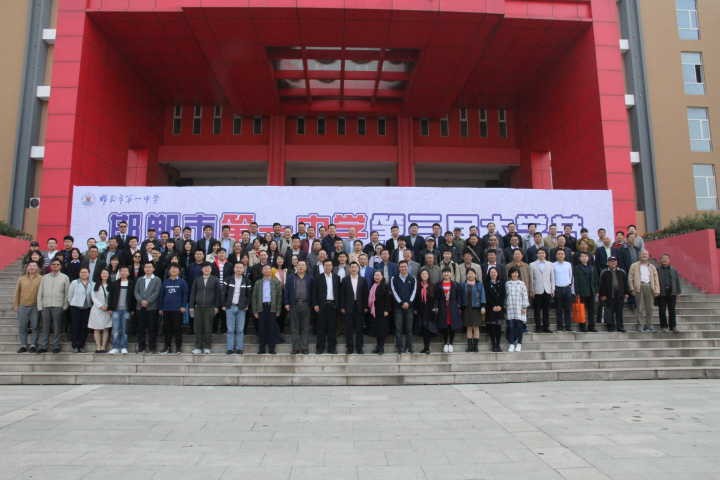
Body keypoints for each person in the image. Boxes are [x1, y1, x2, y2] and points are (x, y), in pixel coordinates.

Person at [37, 258, 70, 354]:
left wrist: (65, 305)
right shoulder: (44, 277)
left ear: (60, 266)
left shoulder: (65, 277)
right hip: (45, 305)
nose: (55, 266)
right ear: (50, 266)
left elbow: (67, 293)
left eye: (57, 264)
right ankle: (43, 346)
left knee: (57, 327)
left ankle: (56, 346)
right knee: (45, 327)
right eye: (53, 264)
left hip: (58, 305)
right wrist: (40, 305)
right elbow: (40, 292)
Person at [189, 262, 220, 354]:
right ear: (201, 269)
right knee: (198, 328)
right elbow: (193, 293)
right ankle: (198, 347)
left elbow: (218, 294)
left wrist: (216, 306)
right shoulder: (197, 280)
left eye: (208, 268)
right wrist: (191, 306)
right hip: (198, 307)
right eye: (205, 268)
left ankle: (207, 346)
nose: (206, 269)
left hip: (210, 307)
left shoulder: (215, 280)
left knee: (208, 328)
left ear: (211, 269)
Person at [252, 264, 283, 354]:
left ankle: (272, 349)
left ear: (271, 271)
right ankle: (261, 348)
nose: (266, 270)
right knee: (261, 329)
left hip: (272, 307)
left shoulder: (276, 282)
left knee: (271, 329)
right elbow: (254, 297)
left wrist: (278, 310)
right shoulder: (258, 283)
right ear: (262, 271)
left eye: (268, 269)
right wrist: (255, 311)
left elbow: (279, 297)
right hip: (261, 307)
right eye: (265, 269)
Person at [284, 260, 313, 355]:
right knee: (294, 328)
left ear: (306, 267)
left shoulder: (310, 278)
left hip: (306, 305)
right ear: (296, 267)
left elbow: (313, 292)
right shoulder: (290, 277)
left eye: (303, 265)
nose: (301, 267)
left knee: (305, 327)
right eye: (299, 265)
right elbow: (286, 291)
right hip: (294, 305)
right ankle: (295, 348)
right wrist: (286, 303)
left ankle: (304, 348)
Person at [340, 262, 369, 354]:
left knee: (359, 328)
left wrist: (365, 306)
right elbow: (342, 294)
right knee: (349, 328)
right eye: (352, 267)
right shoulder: (345, 280)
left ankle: (359, 347)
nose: (353, 269)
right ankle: (349, 348)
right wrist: (342, 306)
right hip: (348, 307)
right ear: (349, 269)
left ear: (358, 269)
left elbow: (366, 294)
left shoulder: (363, 280)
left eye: (355, 267)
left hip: (360, 306)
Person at [628, 249, 660, 332]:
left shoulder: (652, 267)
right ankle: (640, 325)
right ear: (639, 256)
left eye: (646, 254)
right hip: (639, 287)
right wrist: (632, 288)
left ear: (648, 256)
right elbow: (630, 278)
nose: (644, 255)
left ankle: (649, 325)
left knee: (650, 308)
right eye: (642, 254)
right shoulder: (634, 265)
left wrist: (657, 289)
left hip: (649, 287)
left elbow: (656, 278)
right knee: (640, 308)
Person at [313, 259, 341, 354]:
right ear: (323, 266)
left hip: (333, 305)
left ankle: (332, 348)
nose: (328, 267)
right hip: (322, 306)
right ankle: (320, 348)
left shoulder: (336, 277)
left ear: (332, 267)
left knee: (332, 328)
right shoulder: (318, 277)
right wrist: (315, 304)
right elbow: (314, 292)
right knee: (321, 328)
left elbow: (339, 292)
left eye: (329, 265)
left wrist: (338, 305)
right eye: (326, 265)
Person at [133, 262, 162, 353]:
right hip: (140, 307)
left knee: (152, 328)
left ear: (153, 269)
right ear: (144, 269)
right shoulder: (140, 279)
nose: (148, 269)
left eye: (150, 267)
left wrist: (148, 301)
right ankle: (141, 347)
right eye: (146, 267)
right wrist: (141, 301)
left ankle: (152, 347)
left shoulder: (157, 279)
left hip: (152, 307)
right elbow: (136, 292)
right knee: (141, 328)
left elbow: (157, 292)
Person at [160, 263, 188, 354]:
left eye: (176, 268)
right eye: (172, 268)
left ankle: (178, 347)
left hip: (177, 310)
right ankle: (167, 347)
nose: (174, 270)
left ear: (179, 271)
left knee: (177, 329)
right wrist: (161, 308)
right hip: (166, 309)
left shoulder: (182, 282)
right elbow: (161, 296)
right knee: (167, 329)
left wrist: (183, 306)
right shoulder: (165, 282)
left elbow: (185, 295)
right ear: (169, 271)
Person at [13, 261, 41, 353]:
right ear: (27, 268)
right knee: (22, 326)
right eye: (30, 265)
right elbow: (17, 292)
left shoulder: (41, 278)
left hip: (35, 306)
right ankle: (23, 345)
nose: (32, 267)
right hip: (22, 306)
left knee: (35, 326)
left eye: (34, 266)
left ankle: (33, 344)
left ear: (37, 268)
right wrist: (16, 305)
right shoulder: (21, 279)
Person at [390, 260, 417, 353]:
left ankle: (409, 347)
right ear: (399, 268)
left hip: (409, 307)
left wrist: (408, 303)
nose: (403, 268)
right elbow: (394, 292)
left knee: (409, 328)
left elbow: (414, 292)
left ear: (407, 267)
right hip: (398, 307)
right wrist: (401, 303)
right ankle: (399, 347)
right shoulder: (394, 278)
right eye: (401, 267)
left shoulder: (412, 278)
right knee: (398, 328)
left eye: (405, 266)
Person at [107, 266, 135, 354]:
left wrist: (132, 309)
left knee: (124, 330)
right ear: (119, 273)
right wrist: (110, 308)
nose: (123, 272)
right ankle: (115, 347)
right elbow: (110, 296)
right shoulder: (114, 283)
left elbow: (133, 298)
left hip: (126, 310)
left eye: (125, 271)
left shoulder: (131, 283)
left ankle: (123, 347)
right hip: (116, 310)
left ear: (128, 273)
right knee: (115, 329)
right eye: (122, 271)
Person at [435, 267, 463, 353]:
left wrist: (458, 306)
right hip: (442, 307)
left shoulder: (455, 284)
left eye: (448, 272)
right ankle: (445, 343)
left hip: (453, 307)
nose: (446, 274)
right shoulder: (438, 285)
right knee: (444, 325)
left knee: (452, 325)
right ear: (442, 274)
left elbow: (459, 296)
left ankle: (450, 343)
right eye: (444, 272)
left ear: (451, 274)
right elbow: (436, 298)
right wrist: (436, 306)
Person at [598, 256, 630, 332]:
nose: (613, 263)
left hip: (619, 295)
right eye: (611, 261)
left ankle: (620, 327)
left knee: (619, 312)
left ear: (617, 262)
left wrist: (626, 293)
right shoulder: (604, 272)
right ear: (608, 263)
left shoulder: (622, 272)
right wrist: (602, 295)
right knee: (609, 311)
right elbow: (601, 285)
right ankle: (610, 326)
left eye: (614, 261)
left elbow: (625, 283)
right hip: (608, 295)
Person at [67, 267, 93, 353]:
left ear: (88, 274)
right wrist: (72, 303)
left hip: (87, 308)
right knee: (75, 326)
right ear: (79, 274)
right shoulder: (74, 282)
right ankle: (75, 345)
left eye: (85, 272)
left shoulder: (92, 284)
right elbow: (69, 295)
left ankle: (81, 345)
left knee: (84, 327)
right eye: (82, 272)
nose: (84, 274)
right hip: (75, 308)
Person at [573, 251, 599, 332]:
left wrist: (596, 291)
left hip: (591, 291)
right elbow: (576, 281)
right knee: (582, 310)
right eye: (582, 256)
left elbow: (596, 280)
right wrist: (577, 292)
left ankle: (591, 326)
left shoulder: (592, 268)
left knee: (592, 310)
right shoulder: (576, 268)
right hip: (582, 292)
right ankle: (582, 326)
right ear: (579, 258)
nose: (584, 258)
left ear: (588, 258)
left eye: (586, 256)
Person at [505, 267, 530, 352]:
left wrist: (524, 307)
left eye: (516, 272)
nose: (515, 274)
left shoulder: (521, 284)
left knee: (519, 327)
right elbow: (505, 296)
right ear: (510, 274)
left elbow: (525, 296)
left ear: (518, 274)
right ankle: (512, 344)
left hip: (520, 308)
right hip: (510, 308)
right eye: (513, 272)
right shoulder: (507, 284)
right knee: (511, 327)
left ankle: (519, 343)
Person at [530, 248, 554, 333]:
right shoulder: (532, 265)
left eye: (543, 253)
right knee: (537, 310)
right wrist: (532, 290)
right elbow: (531, 279)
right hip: (537, 290)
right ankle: (538, 327)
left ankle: (546, 327)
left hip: (547, 289)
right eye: (539, 253)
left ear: (545, 254)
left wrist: (552, 289)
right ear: (537, 255)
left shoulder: (550, 264)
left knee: (546, 310)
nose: (541, 254)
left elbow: (552, 278)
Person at [462, 269, 486, 352]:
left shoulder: (479, 284)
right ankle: (470, 347)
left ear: (475, 275)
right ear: (466, 275)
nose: (470, 275)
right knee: (469, 327)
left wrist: (483, 306)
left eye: (472, 273)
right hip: (466, 308)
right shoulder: (463, 285)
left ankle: (475, 346)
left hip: (476, 308)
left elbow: (483, 295)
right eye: (468, 273)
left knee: (476, 327)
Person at [88, 268, 112, 353]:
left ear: (108, 275)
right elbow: (93, 297)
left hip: (107, 310)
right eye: (103, 273)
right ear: (100, 275)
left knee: (106, 328)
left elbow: (113, 297)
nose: (104, 275)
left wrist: (109, 307)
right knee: (96, 328)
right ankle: (98, 346)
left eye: (106, 273)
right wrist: (101, 306)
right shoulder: (95, 284)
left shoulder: (111, 285)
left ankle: (103, 346)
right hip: (97, 309)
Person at [657, 254, 681, 332]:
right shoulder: (657, 270)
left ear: (669, 260)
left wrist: (678, 292)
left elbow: (677, 281)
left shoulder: (674, 270)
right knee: (662, 310)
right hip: (661, 293)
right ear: (660, 260)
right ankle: (663, 326)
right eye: (663, 258)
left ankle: (673, 326)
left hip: (672, 292)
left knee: (672, 310)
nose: (664, 260)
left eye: (666, 258)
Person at [414, 269, 437, 354]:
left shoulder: (432, 285)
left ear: (428, 275)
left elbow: (436, 298)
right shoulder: (417, 286)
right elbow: (415, 298)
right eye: (422, 274)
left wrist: (435, 307)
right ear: (420, 276)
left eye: (426, 274)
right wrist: (415, 308)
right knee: (423, 328)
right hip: (421, 309)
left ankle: (427, 347)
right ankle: (425, 347)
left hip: (430, 309)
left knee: (428, 328)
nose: (424, 275)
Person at [484, 267, 505, 352]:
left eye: (495, 272)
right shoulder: (486, 284)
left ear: (497, 273)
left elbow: (503, 295)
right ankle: (493, 344)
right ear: (489, 274)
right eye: (491, 272)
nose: (493, 274)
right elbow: (486, 296)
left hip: (499, 308)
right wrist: (493, 306)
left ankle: (498, 344)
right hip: (490, 308)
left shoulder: (502, 283)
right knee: (492, 327)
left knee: (498, 327)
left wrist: (500, 306)